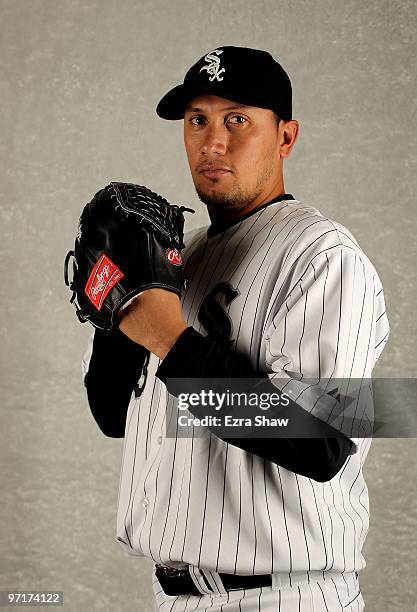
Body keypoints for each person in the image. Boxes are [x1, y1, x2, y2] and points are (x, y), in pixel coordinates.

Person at [82, 46, 390, 611]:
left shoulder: (321, 256)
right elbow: (113, 417)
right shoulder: (178, 259)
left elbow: (319, 441)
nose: (213, 141)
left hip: (285, 598)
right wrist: (115, 312)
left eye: (237, 120)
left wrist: (167, 338)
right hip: (171, 596)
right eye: (197, 120)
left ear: (286, 137)